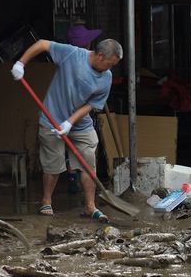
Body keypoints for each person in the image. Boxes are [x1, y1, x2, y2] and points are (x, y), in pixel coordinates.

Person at [11, 38, 123, 223]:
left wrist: (70, 122)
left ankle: (90, 206)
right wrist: (21, 63)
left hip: (79, 122)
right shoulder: (72, 54)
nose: (110, 68)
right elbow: (41, 44)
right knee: (53, 163)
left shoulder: (106, 78)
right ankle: (46, 201)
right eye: (109, 64)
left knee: (87, 161)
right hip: (51, 117)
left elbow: (92, 105)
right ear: (100, 55)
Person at [63, 24, 102, 194]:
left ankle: (74, 180)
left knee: (73, 146)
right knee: (87, 145)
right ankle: (80, 184)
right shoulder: (80, 62)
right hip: (76, 110)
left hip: (66, 110)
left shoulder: (68, 60)